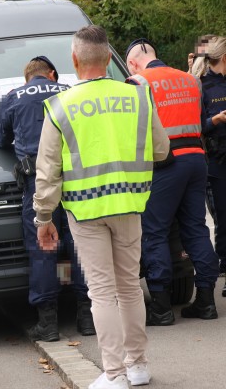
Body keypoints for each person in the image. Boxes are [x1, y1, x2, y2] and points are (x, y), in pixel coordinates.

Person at [34, 25, 170, 389]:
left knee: (101, 291)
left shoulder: (60, 107)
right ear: (109, 59)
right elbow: (161, 150)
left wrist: (44, 217)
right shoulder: (139, 97)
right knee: (128, 287)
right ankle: (137, 365)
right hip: (129, 203)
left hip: (85, 210)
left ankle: (114, 374)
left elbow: (47, 171)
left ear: (74, 60)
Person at [0, 56, 95, 341]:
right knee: (79, 244)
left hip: (37, 182)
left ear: (26, 78)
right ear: (51, 74)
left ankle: (48, 323)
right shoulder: (71, 92)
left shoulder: (12, 97)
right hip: (78, 180)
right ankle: (87, 317)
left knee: (44, 246)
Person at [125, 38, 220, 324]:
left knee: (155, 232)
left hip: (165, 164)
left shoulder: (137, 82)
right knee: (195, 228)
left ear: (132, 62)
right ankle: (205, 302)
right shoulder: (191, 80)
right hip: (196, 159)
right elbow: (202, 120)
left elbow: (134, 130)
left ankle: (161, 308)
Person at [195, 36, 226, 295]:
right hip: (216, 162)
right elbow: (197, 127)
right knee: (223, 218)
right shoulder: (202, 86)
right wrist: (214, 120)